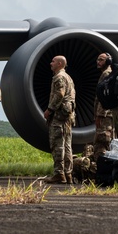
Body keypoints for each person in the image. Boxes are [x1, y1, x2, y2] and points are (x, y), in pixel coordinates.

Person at [43, 55, 76, 184]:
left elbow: (60, 94)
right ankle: (68, 174)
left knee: (57, 144)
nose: (51, 63)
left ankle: (58, 173)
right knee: (67, 145)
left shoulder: (59, 77)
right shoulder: (69, 77)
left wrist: (49, 109)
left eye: (53, 61)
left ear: (60, 63)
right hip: (68, 115)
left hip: (59, 116)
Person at [92, 52, 115, 162]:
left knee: (101, 142)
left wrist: (100, 114)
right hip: (107, 115)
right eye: (98, 59)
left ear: (108, 61)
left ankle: (101, 169)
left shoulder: (107, 74)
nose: (98, 62)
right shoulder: (107, 74)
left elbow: (104, 97)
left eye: (101, 60)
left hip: (105, 116)